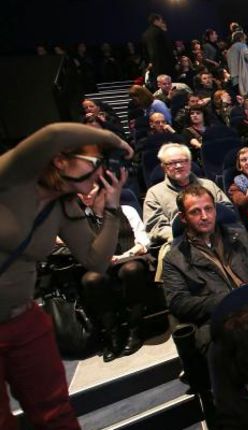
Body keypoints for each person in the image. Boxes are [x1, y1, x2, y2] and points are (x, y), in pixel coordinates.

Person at [0, 122, 131, 429]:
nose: (102, 172)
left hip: (22, 319)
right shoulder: (12, 178)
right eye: (96, 163)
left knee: (55, 411)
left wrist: (110, 209)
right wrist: (114, 140)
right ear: (60, 160)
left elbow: (96, 262)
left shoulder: (63, 206)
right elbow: (53, 134)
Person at [162, 184, 248, 353]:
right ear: (183, 218)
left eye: (208, 209)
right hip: (220, 319)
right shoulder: (175, 259)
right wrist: (229, 299)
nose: (204, 216)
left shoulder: (242, 236)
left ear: (215, 210)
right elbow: (179, 304)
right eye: (195, 212)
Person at [77, 184, 152, 362]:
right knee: (91, 279)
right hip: (100, 265)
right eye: (80, 192)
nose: (85, 194)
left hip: (129, 258)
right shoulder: (80, 219)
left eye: (90, 189)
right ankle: (114, 333)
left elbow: (143, 241)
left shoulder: (126, 210)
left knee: (131, 270)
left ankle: (135, 329)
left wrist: (125, 255)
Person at [143, 143, 231, 247]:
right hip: (181, 243)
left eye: (183, 161)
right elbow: (155, 227)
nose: (179, 166)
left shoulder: (208, 185)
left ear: (190, 163)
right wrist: (189, 237)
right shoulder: (154, 193)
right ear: (164, 167)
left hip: (217, 236)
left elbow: (228, 209)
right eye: (172, 163)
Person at [225, 31, 248, 97]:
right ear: (241, 38)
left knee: (244, 98)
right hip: (245, 77)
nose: (245, 41)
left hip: (235, 79)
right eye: (245, 39)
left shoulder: (229, 51)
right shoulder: (241, 45)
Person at [141, 13, 174, 78]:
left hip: (154, 66)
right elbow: (168, 48)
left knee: (158, 83)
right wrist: (173, 62)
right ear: (156, 21)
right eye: (160, 21)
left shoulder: (145, 35)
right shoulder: (160, 32)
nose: (161, 22)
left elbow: (144, 52)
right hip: (165, 64)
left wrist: (149, 62)